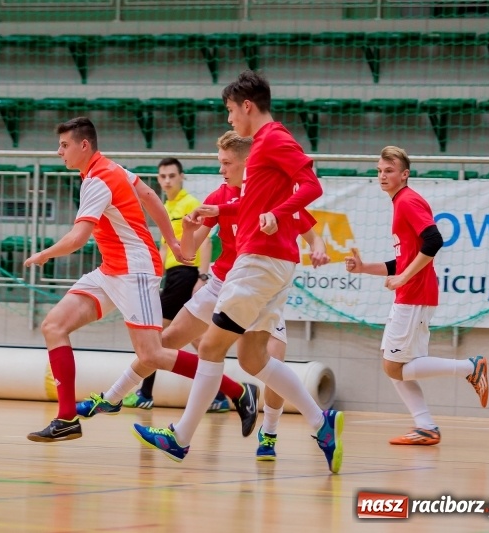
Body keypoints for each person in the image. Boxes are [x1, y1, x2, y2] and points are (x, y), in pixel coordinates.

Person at [131, 70, 344, 474]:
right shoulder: (263, 145)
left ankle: (180, 439)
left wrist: (276, 215)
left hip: (260, 260)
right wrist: (222, 210)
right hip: (272, 262)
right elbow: (260, 202)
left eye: (230, 110)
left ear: (247, 106)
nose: (229, 119)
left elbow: (311, 187)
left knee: (210, 347)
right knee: (251, 358)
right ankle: (321, 423)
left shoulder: (274, 137)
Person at [23, 117, 189, 442]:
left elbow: (77, 239)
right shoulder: (113, 169)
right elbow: (152, 197)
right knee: (53, 326)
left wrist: (44, 255)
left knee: (152, 355)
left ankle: (234, 389)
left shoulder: (98, 180)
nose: (59, 152)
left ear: (84, 146)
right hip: (111, 270)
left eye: (64, 145)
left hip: (135, 271)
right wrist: (171, 241)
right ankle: (67, 417)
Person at [344, 146, 489, 446]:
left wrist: (404, 279)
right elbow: (404, 260)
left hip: (415, 294)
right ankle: (426, 427)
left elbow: (434, 240)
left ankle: (469, 368)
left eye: (389, 170)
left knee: (392, 365)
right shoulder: (400, 203)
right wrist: (364, 267)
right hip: (413, 293)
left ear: (404, 174)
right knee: (397, 365)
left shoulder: (408, 200)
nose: (382, 176)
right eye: (379, 170)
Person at [121, 157, 227, 412]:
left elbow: (206, 241)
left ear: (181, 177)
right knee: (196, 340)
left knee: (154, 336)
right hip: (171, 275)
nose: (167, 180)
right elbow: (163, 246)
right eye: (163, 176)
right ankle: (221, 393)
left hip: (186, 273)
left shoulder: (191, 204)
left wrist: (201, 277)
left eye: (172, 176)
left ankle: (145, 393)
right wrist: (154, 277)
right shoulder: (165, 206)